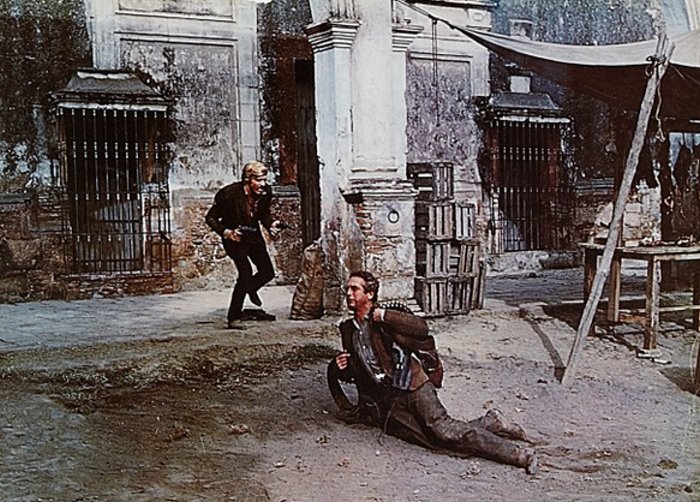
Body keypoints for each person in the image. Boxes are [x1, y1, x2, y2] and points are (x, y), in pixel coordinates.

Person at [327, 270, 539, 474]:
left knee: (444, 430)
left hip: (415, 385)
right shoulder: (348, 329)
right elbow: (357, 373)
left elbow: (421, 328)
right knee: (433, 440)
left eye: (354, 289)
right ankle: (492, 422)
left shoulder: (385, 317)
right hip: (391, 395)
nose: (348, 293)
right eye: (348, 289)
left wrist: (385, 316)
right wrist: (339, 366)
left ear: (370, 294)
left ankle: (520, 455)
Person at [205, 161, 285, 329]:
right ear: (248, 180)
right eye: (259, 180)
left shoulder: (266, 192)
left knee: (267, 272)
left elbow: (263, 214)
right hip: (235, 239)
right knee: (245, 272)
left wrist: (271, 224)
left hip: (254, 236)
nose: (263, 184)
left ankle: (249, 290)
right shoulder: (229, 194)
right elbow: (210, 218)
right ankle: (234, 316)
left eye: (265, 180)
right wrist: (227, 232)